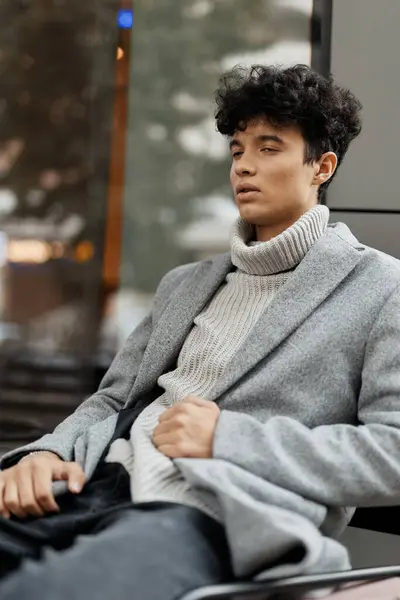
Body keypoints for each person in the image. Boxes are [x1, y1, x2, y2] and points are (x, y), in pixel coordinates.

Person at [1, 63, 400, 600]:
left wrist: (229, 439)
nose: (244, 167)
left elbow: (393, 452)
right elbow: (113, 399)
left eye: (269, 148)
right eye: (238, 151)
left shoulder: (380, 287)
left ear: (321, 166)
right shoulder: (187, 284)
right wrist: (44, 454)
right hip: (90, 483)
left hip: (211, 516)